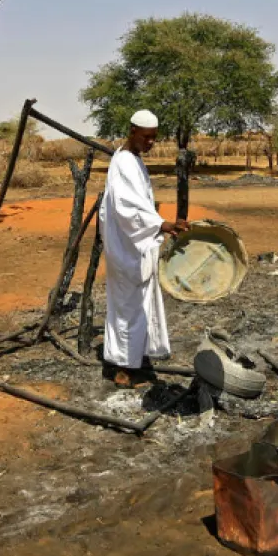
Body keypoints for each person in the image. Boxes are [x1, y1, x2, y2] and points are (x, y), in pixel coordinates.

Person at [99, 109, 189, 388]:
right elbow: (126, 207)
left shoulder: (133, 160)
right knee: (128, 307)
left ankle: (135, 359)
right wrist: (160, 224)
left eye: (154, 138)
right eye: (146, 137)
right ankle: (122, 370)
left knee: (137, 306)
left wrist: (159, 225)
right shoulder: (124, 162)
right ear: (132, 131)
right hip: (126, 249)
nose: (151, 143)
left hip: (134, 245)